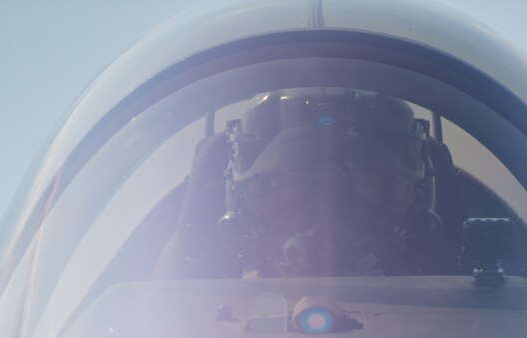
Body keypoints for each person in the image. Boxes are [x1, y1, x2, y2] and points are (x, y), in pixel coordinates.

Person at [154, 88, 469, 281]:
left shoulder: (469, 316)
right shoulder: (186, 319)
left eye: (366, 179)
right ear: (240, 197)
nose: (328, 209)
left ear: (416, 195)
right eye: (284, 183)